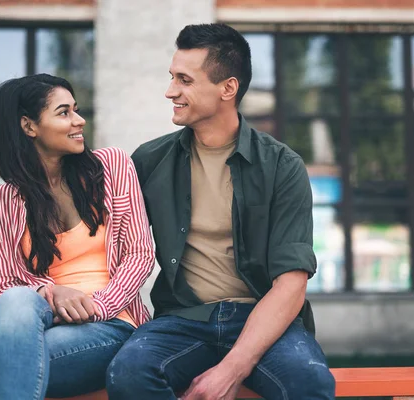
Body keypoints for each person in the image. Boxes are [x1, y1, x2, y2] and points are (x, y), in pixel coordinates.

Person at [107, 23, 335, 400]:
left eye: (184, 80)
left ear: (227, 88)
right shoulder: (149, 161)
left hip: (264, 319)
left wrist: (232, 369)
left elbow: (291, 283)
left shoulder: (281, 165)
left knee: (309, 383)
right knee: (129, 372)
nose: (170, 92)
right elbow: (109, 240)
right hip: (182, 319)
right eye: (171, 77)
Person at [0, 74, 155, 399]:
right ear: (29, 127)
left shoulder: (111, 166)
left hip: (113, 322)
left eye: (76, 109)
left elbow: (139, 254)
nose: (79, 120)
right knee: (15, 298)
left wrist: (97, 305)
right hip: (46, 324)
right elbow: (5, 284)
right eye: (64, 112)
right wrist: (52, 291)